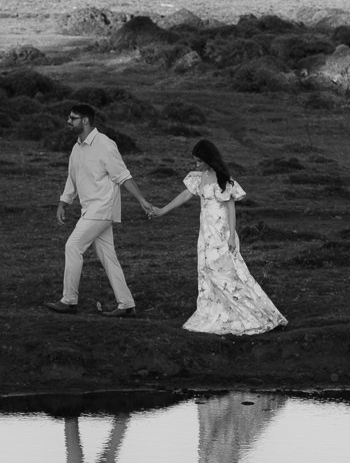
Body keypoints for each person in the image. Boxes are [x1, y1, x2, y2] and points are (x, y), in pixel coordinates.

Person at [149, 138, 286, 334]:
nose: (196, 165)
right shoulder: (200, 177)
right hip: (206, 233)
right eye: (195, 161)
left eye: (199, 161)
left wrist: (231, 236)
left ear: (208, 158)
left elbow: (231, 209)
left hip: (221, 232)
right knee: (206, 270)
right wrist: (162, 210)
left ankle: (251, 313)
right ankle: (218, 311)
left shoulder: (223, 179)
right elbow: (185, 195)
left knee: (225, 272)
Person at [48, 103, 155, 316]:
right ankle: (126, 304)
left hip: (102, 209)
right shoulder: (77, 147)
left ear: (85, 120)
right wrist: (64, 202)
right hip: (90, 210)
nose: (68, 122)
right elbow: (73, 177)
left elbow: (123, 176)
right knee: (108, 256)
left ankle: (69, 301)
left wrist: (142, 201)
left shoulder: (105, 144)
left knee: (73, 246)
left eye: (73, 118)